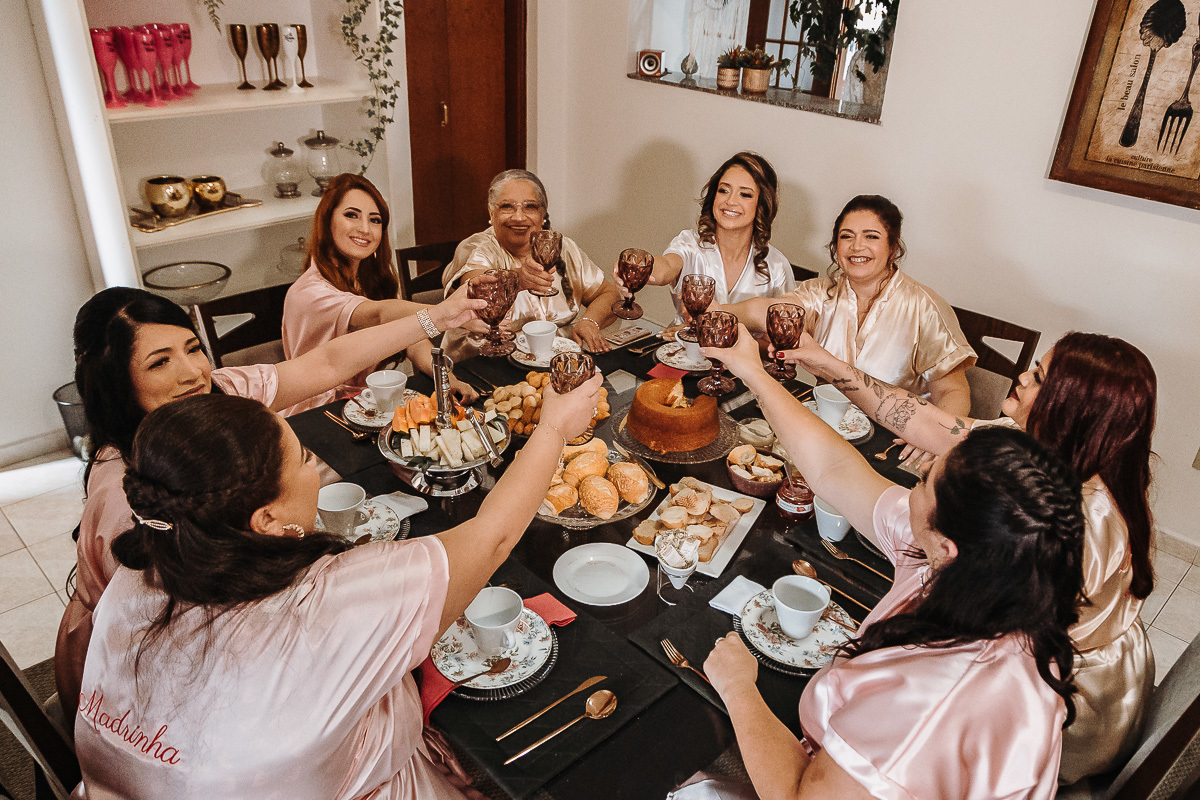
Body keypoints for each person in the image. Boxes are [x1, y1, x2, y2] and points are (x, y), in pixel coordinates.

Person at [73, 378, 601, 798]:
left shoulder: (136, 575)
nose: (315, 469)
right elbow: (492, 538)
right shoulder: (328, 605)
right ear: (266, 519)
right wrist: (555, 427)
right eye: (304, 458)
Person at [55, 284, 486, 719]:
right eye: (159, 362)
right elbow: (187, 637)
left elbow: (328, 362)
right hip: (153, 675)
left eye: (193, 348)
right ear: (116, 381)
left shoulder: (217, 399)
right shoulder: (125, 494)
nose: (191, 374)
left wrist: (438, 317)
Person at [697, 326, 1086, 799]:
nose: (913, 481)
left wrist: (738, 688)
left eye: (923, 483)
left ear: (948, 546)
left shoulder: (932, 701)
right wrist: (752, 371)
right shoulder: (995, 572)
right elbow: (836, 469)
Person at [779, 329, 1157, 783]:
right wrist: (824, 361)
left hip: (1062, 689)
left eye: (1038, 377)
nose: (1022, 377)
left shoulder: (1083, 523)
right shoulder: (1026, 443)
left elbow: (979, 649)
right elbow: (923, 421)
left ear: (1071, 410)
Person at [720, 195, 974, 421]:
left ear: (893, 247)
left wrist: (934, 440)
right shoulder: (819, 293)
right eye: (846, 236)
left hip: (898, 436)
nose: (857, 246)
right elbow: (765, 311)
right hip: (827, 423)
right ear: (835, 246)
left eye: (871, 236)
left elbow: (952, 392)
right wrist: (715, 311)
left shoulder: (924, 306)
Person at [282, 173, 479, 415]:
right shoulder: (308, 292)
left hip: (369, 405)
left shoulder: (369, 280)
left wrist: (447, 379)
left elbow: (411, 336)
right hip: (316, 412)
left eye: (374, 220)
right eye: (351, 215)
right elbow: (379, 314)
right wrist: (449, 313)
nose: (365, 229)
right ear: (327, 220)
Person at [440, 169, 622, 360]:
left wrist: (590, 321)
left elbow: (609, 294)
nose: (519, 217)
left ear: (542, 214)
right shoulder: (476, 247)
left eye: (530, 207)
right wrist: (517, 279)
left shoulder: (563, 248)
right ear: (491, 213)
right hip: (482, 361)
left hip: (555, 360)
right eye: (507, 206)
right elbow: (475, 291)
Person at [614, 151, 795, 319]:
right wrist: (639, 268)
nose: (730, 201)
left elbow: (787, 327)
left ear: (762, 204)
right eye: (724, 190)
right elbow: (667, 266)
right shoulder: (690, 244)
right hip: (680, 344)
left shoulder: (777, 265)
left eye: (745, 194)